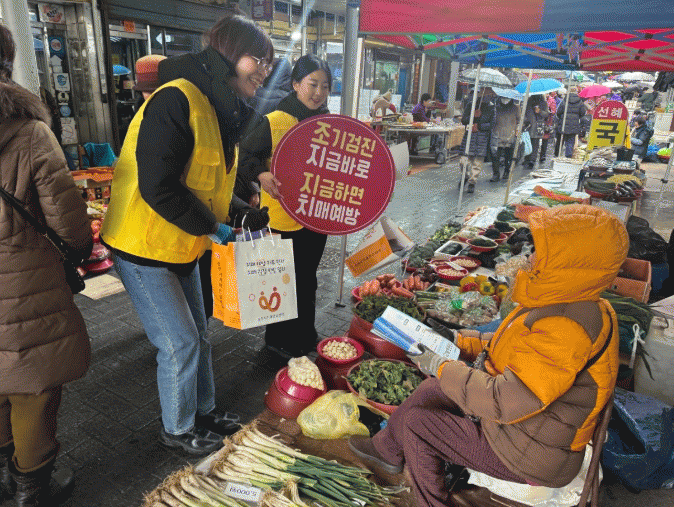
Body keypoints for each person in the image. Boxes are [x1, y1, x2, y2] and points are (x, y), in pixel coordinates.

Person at [349, 204, 628, 507]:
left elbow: (505, 400)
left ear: (568, 262)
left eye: (541, 251)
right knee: (432, 388)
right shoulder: (569, 301)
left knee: (420, 424)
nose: (530, 257)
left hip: (526, 453)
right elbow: (510, 345)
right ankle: (386, 451)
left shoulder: (566, 326)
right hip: (526, 430)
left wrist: (442, 366)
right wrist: (456, 340)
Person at [100, 12, 272, 456]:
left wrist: (240, 214)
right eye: (258, 59)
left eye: (269, 62)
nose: (265, 70)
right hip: (143, 246)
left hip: (183, 244)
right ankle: (177, 429)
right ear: (229, 55)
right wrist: (214, 227)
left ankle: (204, 412)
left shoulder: (219, 108)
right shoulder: (176, 99)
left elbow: (207, 183)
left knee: (199, 334)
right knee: (180, 342)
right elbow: (159, 186)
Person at [0, 23, 92, 506]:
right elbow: (69, 223)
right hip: (26, 285)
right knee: (31, 386)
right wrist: (78, 252)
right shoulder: (31, 134)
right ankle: (31, 489)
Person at [237, 54, 332, 359]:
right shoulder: (275, 120)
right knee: (282, 280)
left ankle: (305, 335)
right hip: (283, 216)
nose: (318, 92)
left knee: (307, 278)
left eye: (325, 86)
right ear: (295, 84)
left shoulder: (330, 124)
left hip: (316, 218)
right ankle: (277, 341)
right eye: (312, 84)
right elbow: (245, 157)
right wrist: (261, 174)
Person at [458, 87, 495, 193]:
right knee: (463, 162)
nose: (487, 96)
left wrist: (480, 126)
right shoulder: (471, 105)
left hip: (482, 138)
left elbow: (492, 124)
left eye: (489, 94)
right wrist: (473, 116)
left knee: (477, 164)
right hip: (469, 137)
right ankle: (466, 176)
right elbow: (464, 120)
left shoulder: (492, 107)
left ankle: (472, 182)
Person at [489, 95, 519, 182]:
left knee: (508, 156)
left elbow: (520, 120)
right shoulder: (495, 108)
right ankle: (496, 174)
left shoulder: (516, 108)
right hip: (498, 134)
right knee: (495, 156)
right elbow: (491, 120)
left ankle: (507, 172)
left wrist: (517, 129)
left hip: (510, 134)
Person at [556, 85, 586, 158]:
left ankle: (557, 154)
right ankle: (568, 155)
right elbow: (583, 113)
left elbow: (559, 112)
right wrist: (577, 117)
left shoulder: (564, 100)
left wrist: (561, 118)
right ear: (576, 92)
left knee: (561, 139)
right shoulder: (580, 101)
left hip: (563, 123)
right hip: (574, 124)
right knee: (570, 140)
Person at [523, 94, 549, 169]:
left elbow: (546, 114)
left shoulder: (543, 102)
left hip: (538, 126)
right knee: (527, 142)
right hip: (529, 125)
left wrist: (539, 111)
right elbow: (524, 112)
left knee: (535, 143)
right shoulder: (528, 101)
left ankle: (532, 160)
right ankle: (527, 158)